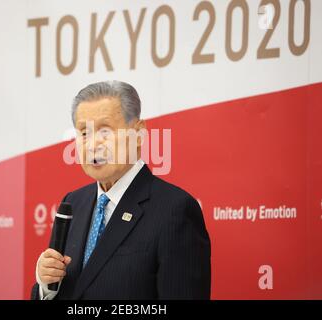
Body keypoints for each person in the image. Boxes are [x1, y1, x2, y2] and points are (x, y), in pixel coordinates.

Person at [31, 80, 211, 300]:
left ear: (138, 132)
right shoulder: (73, 203)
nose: (93, 144)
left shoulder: (174, 210)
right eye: (84, 133)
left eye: (105, 131)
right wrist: (46, 287)